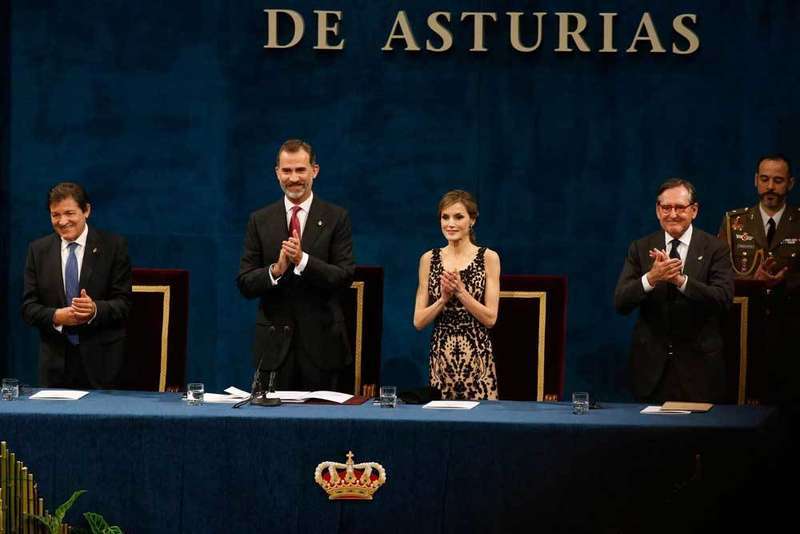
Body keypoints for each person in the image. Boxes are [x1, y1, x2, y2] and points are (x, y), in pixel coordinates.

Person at [237, 139, 355, 392]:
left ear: (315, 170)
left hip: (323, 350)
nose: (293, 178)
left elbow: (344, 276)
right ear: (277, 172)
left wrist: (303, 261)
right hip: (273, 352)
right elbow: (245, 283)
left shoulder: (336, 218)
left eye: (300, 170)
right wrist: (275, 271)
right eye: (287, 171)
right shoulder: (259, 220)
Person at [614, 179, 733, 403]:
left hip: (700, 371)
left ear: (694, 210)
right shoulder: (640, 248)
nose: (673, 214)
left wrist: (680, 280)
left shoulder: (716, 248)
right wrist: (651, 278)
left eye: (680, 207)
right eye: (666, 208)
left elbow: (723, 299)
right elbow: (621, 302)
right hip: (651, 373)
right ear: (658, 211)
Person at [21, 182, 132, 388]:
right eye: (55, 215)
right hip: (55, 368)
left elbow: (124, 303)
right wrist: (56, 316)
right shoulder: (38, 250)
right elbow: (28, 308)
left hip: (103, 365)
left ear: (86, 210)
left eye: (69, 213)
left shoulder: (113, 247)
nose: (62, 221)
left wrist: (94, 310)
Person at [718, 154, 800, 404]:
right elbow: (718, 274)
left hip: (791, 325)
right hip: (744, 328)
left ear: (790, 183)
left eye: (778, 180)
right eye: (765, 179)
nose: (770, 187)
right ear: (756, 180)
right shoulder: (735, 222)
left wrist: (784, 282)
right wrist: (753, 280)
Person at [413, 190, 501, 400]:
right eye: (445, 217)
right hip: (441, 359)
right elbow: (418, 321)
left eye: (458, 217)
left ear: (472, 220)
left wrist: (461, 292)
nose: (450, 223)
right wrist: (443, 299)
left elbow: (490, 318)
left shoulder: (488, 257)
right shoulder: (429, 259)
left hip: (477, 360)